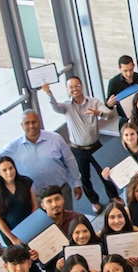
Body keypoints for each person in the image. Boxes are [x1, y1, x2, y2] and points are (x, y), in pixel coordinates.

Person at [42, 77, 117, 213]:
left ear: (81, 86)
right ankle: (94, 201)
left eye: (76, 86)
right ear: (67, 90)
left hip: (95, 145)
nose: (74, 89)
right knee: (84, 177)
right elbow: (55, 107)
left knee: (105, 173)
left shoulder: (93, 102)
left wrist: (98, 113)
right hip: (78, 149)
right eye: (71, 87)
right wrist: (49, 94)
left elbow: (109, 114)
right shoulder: (66, 106)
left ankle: (114, 196)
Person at [0, 109, 83, 210]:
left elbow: (70, 160)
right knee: (44, 225)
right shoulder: (14, 147)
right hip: (34, 198)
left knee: (67, 222)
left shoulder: (55, 139)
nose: (31, 126)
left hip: (60, 191)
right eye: (27, 123)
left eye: (34, 122)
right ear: (22, 126)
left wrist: (77, 183)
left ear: (39, 122)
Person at [0, 156, 37, 245]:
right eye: (4, 170)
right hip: (9, 230)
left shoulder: (26, 182)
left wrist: (32, 227)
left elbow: (34, 206)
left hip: (29, 226)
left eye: (11, 168)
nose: (9, 172)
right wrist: (12, 238)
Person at [105, 55, 138, 122]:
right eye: (125, 71)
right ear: (119, 68)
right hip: (125, 119)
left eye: (131, 70)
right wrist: (109, 104)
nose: (128, 74)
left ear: (134, 65)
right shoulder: (114, 83)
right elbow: (108, 105)